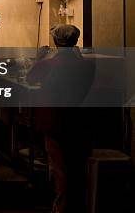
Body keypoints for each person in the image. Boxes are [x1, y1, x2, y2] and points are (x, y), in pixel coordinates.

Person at [27, 24, 95, 213]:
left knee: (59, 168)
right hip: (77, 121)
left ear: (57, 41)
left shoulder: (50, 64)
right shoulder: (86, 65)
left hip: (54, 121)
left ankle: (60, 207)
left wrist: (39, 58)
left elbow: (31, 78)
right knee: (75, 166)